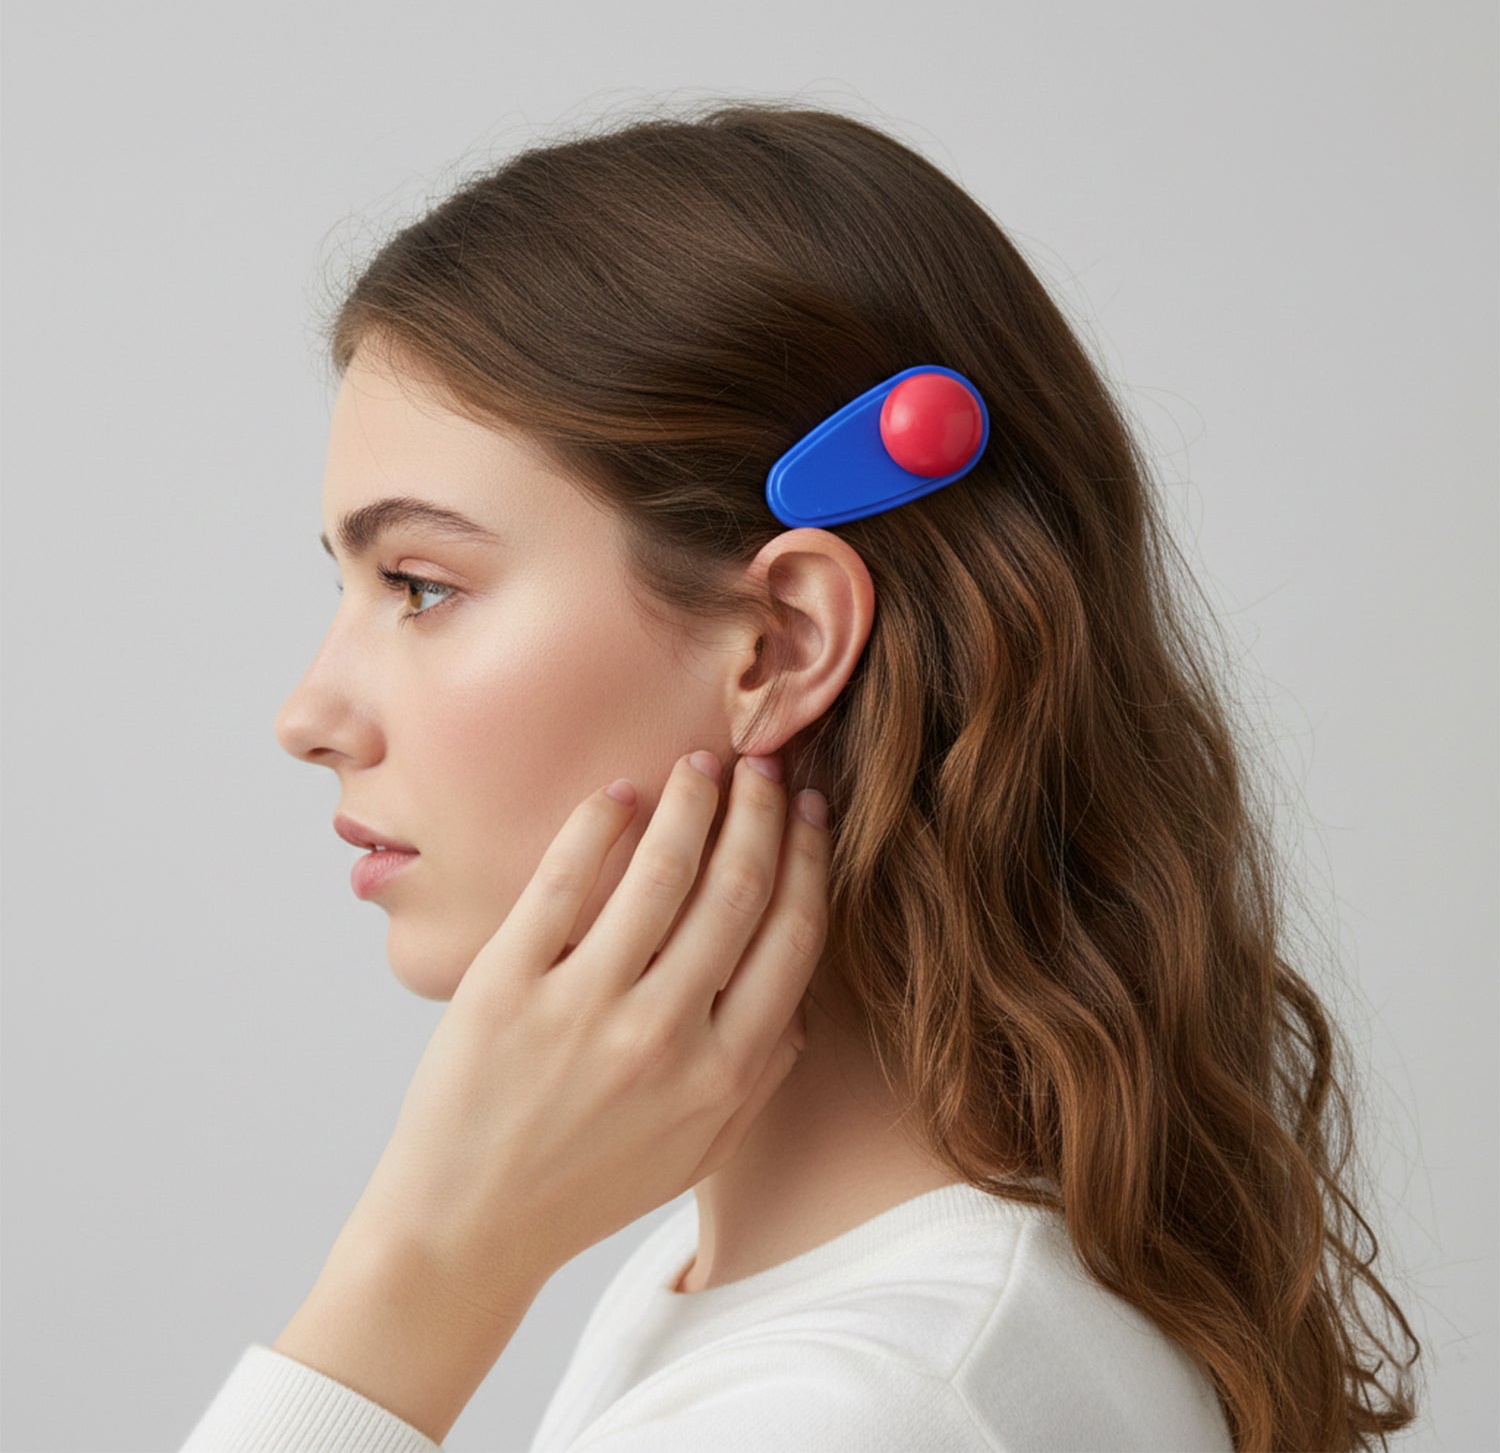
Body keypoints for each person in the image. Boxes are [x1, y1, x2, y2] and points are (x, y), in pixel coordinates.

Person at [179, 98, 1422, 1453]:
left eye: (420, 584)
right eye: (351, 585)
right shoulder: (770, 1289)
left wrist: (420, 1268)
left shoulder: (853, 1408)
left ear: (781, 643)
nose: (310, 716)